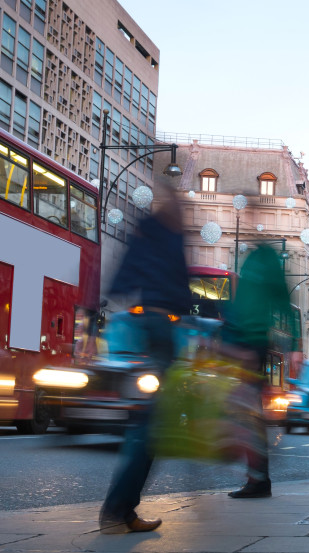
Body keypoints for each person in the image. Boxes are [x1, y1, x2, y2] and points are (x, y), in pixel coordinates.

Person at [99, 183, 191, 534]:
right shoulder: (164, 232)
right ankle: (117, 509)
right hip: (160, 327)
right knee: (151, 427)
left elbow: (123, 277)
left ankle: (121, 510)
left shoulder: (151, 230)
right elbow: (173, 283)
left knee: (149, 423)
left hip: (150, 324)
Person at [224, 245, 291, 498]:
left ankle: (258, 479)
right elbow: (240, 300)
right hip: (239, 339)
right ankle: (257, 478)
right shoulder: (251, 256)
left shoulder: (267, 257)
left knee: (248, 413)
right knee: (244, 410)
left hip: (253, 343)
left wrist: (295, 344)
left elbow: (283, 300)